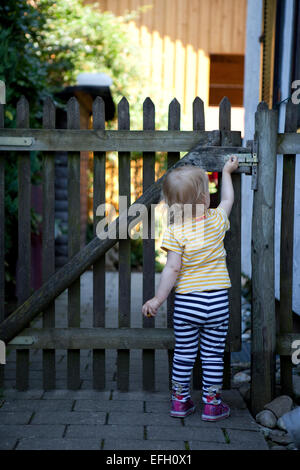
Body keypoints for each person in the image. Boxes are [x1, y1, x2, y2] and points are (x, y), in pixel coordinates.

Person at [142, 155, 239, 422]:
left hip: (187, 305)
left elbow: (172, 269)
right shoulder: (217, 219)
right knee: (212, 355)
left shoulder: (175, 230)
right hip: (217, 302)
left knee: (184, 354)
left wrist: (158, 299)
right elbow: (229, 199)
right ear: (206, 199)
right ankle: (212, 405)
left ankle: (180, 402)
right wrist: (227, 172)